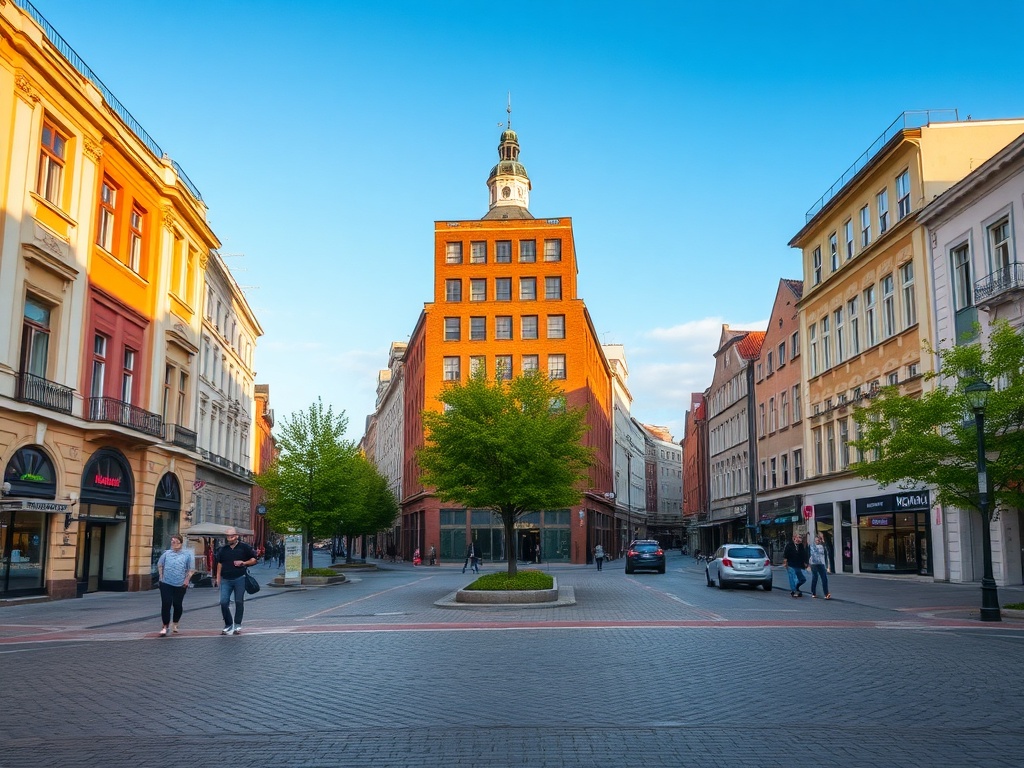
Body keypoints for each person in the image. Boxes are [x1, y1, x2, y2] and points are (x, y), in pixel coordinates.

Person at [214, 528, 258, 635]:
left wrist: (244, 563)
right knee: (224, 602)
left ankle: (237, 624)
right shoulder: (223, 549)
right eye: (228, 536)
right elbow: (219, 563)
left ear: (237, 536)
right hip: (226, 579)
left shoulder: (244, 547)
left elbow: (254, 560)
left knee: (239, 601)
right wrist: (218, 577)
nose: (230, 538)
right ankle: (228, 624)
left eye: (232, 536)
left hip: (240, 578)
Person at [156, 534, 195, 636]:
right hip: (166, 583)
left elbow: (191, 569)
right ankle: (165, 626)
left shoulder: (186, 555)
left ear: (181, 543)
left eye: (176, 542)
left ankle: (175, 623)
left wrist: (187, 580)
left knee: (177, 604)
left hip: (180, 584)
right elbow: (160, 565)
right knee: (166, 603)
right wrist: (161, 577)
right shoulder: (166, 554)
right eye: (173, 542)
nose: (174, 544)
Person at [782, 532, 809, 598]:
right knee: (793, 578)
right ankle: (794, 591)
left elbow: (804, 555)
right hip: (791, 564)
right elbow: (785, 554)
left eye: (800, 538)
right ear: (794, 538)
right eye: (798, 537)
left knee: (802, 579)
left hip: (798, 565)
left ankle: (796, 587)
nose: (799, 539)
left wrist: (806, 563)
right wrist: (785, 563)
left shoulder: (801, 546)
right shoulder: (789, 545)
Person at [809, 533, 831, 599]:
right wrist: (807, 564)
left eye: (818, 540)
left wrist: (827, 566)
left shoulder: (823, 546)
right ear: (814, 541)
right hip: (814, 564)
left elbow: (826, 555)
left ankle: (826, 594)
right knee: (815, 578)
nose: (817, 541)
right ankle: (813, 592)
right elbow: (808, 554)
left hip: (822, 564)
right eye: (816, 540)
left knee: (824, 579)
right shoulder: (811, 546)